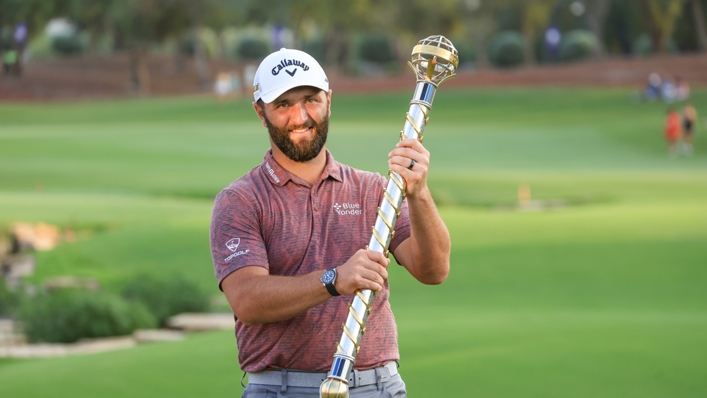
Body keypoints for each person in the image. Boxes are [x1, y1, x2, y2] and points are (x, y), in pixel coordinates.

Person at [209, 48, 451, 398]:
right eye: (283, 104)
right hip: (283, 390)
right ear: (260, 112)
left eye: (311, 100)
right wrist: (334, 279)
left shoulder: (372, 190)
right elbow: (248, 300)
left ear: (329, 101)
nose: (301, 116)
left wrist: (420, 194)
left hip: (379, 386)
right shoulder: (241, 200)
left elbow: (434, 270)